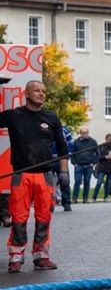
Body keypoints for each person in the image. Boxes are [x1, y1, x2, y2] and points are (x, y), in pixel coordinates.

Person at [0, 80, 69, 272]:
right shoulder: (14, 116)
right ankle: (16, 257)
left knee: (44, 217)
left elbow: (62, 146)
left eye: (43, 91)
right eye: (36, 91)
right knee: (19, 218)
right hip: (21, 175)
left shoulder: (52, 117)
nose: (41, 94)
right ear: (27, 94)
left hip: (45, 176)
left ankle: (41, 257)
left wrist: (63, 171)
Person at [71, 126, 98, 204]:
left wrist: (94, 162)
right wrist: (74, 163)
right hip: (78, 165)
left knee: (87, 181)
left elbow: (97, 153)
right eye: (83, 133)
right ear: (80, 133)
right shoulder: (76, 142)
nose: (84, 134)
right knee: (77, 181)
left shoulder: (93, 141)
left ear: (88, 133)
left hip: (89, 165)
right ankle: (74, 198)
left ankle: (85, 198)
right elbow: (72, 153)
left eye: (86, 132)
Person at [92, 133, 111, 201]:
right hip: (102, 167)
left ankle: (106, 197)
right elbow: (98, 157)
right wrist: (105, 157)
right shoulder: (101, 146)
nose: (109, 140)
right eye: (108, 139)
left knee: (108, 184)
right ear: (106, 139)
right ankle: (94, 197)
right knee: (99, 183)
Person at [54, 125, 74, 211]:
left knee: (64, 181)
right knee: (47, 183)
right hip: (48, 159)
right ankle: (48, 204)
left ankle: (67, 203)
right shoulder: (45, 128)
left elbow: (71, 143)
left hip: (62, 159)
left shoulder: (65, 130)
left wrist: (68, 155)